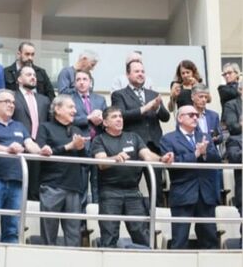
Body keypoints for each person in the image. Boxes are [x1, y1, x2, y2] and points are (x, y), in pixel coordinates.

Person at [91, 106, 174, 248]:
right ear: (105, 123)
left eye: (120, 116)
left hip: (133, 192)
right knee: (109, 235)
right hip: (110, 193)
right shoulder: (99, 140)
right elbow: (101, 163)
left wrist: (161, 159)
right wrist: (115, 158)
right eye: (114, 117)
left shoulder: (133, 137)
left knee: (142, 234)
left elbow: (147, 155)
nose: (119, 119)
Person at [0, 89, 46, 243]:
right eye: (7, 101)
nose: (11, 105)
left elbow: (29, 144)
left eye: (13, 102)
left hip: (17, 181)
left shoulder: (19, 126)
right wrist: (7, 149)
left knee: (12, 228)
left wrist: (41, 151)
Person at [158, 106, 223, 249]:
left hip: (205, 194)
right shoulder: (168, 139)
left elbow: (217, 159)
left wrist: (205, 153)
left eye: (196, 115)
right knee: (179, 240)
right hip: (183, 193)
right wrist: (195, 154)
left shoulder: (204, 136)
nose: (195, 118)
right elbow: (173, 163)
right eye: (191, 115)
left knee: (210, 239)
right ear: (180, 118)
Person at [110, 60, 170, 206]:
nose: (141, 74)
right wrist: (145, 108)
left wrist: (156, 108)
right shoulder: (119, 94)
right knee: (130, 186)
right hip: (132, 146)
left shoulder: (153, 94)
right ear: (127, 74)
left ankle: (158, 222)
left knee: (156, 187)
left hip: (153, 146)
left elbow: (166, 117)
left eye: (142, 71)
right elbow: (121, 115)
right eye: (136, 71)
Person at [37, 95, 87, 246]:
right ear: (57, 109)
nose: (75, 110)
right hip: (52, 186)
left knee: (74, 236)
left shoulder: (77, 130)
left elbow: (85, 161)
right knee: (48, 234)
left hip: (74, 188)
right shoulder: (45, 127)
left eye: (74, 107)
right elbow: (42, 152)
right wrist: (68, 147)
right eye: (70, 107)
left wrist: (81, 148)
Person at [13, 64, 52, 200]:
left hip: (38, 147)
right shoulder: (11, 97)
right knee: (18, 187)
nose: (33, 78)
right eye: (29, 75)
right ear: (19, 79)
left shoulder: (44, 100)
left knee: (35, 188)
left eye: (34, 75)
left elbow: (48, 123)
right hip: (18, 147)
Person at [70, 70, 106, 205]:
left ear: (90, 82)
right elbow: (68, 119)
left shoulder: (100, 99)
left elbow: (107, 120)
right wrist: (88, 118)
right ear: (74, 83)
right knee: (81, 183)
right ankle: (81, 222)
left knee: (98, 183)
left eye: (84, 79)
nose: (81, 82)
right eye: (78, 79)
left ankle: (96, 219)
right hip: (80, 145)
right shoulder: (70, 99)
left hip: (98, 145)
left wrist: (101, 119)